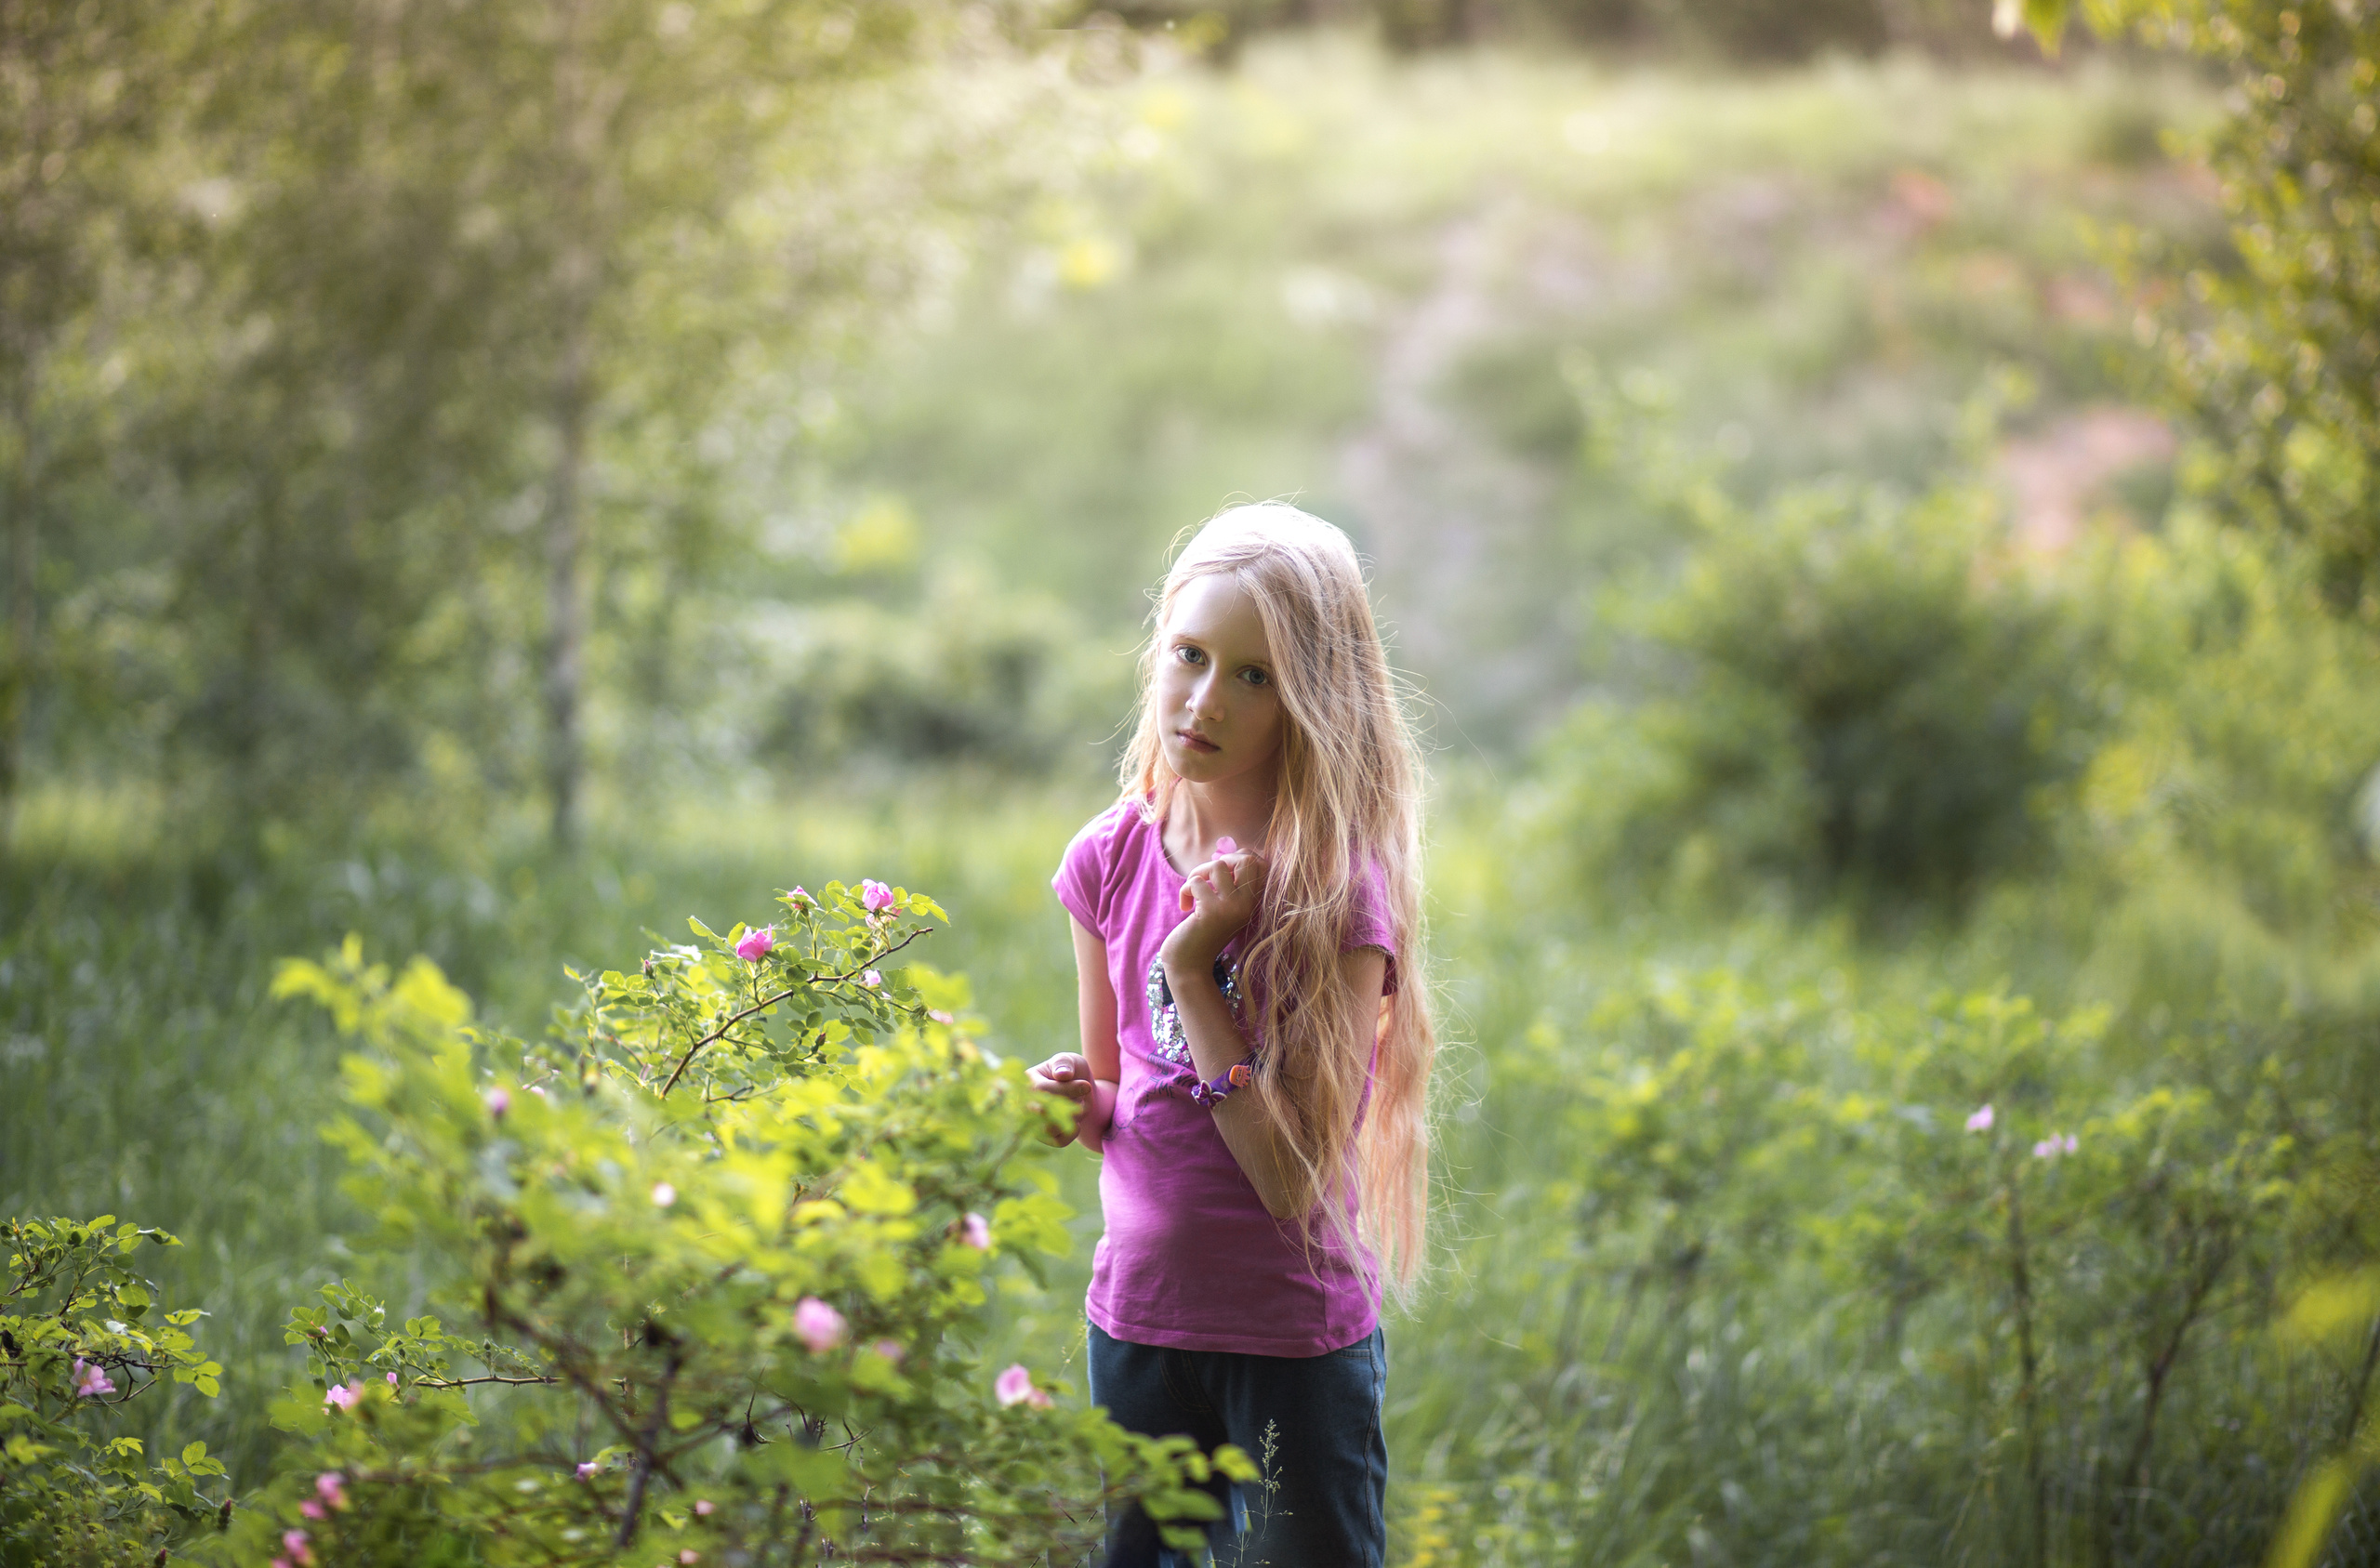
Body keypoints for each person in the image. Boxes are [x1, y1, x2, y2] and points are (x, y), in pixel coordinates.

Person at [1027, 502, 1436, 1567]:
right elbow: (1118, 1101)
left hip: (1288, 1342)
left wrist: (1190, 971)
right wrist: (1076, 1103)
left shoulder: (1335, 895)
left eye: (1252, 675)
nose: (1204, 699)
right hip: (1139, 1323)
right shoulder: (1107, 860)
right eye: (1190, 655)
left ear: (1309, 697)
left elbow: (1292, 1182)